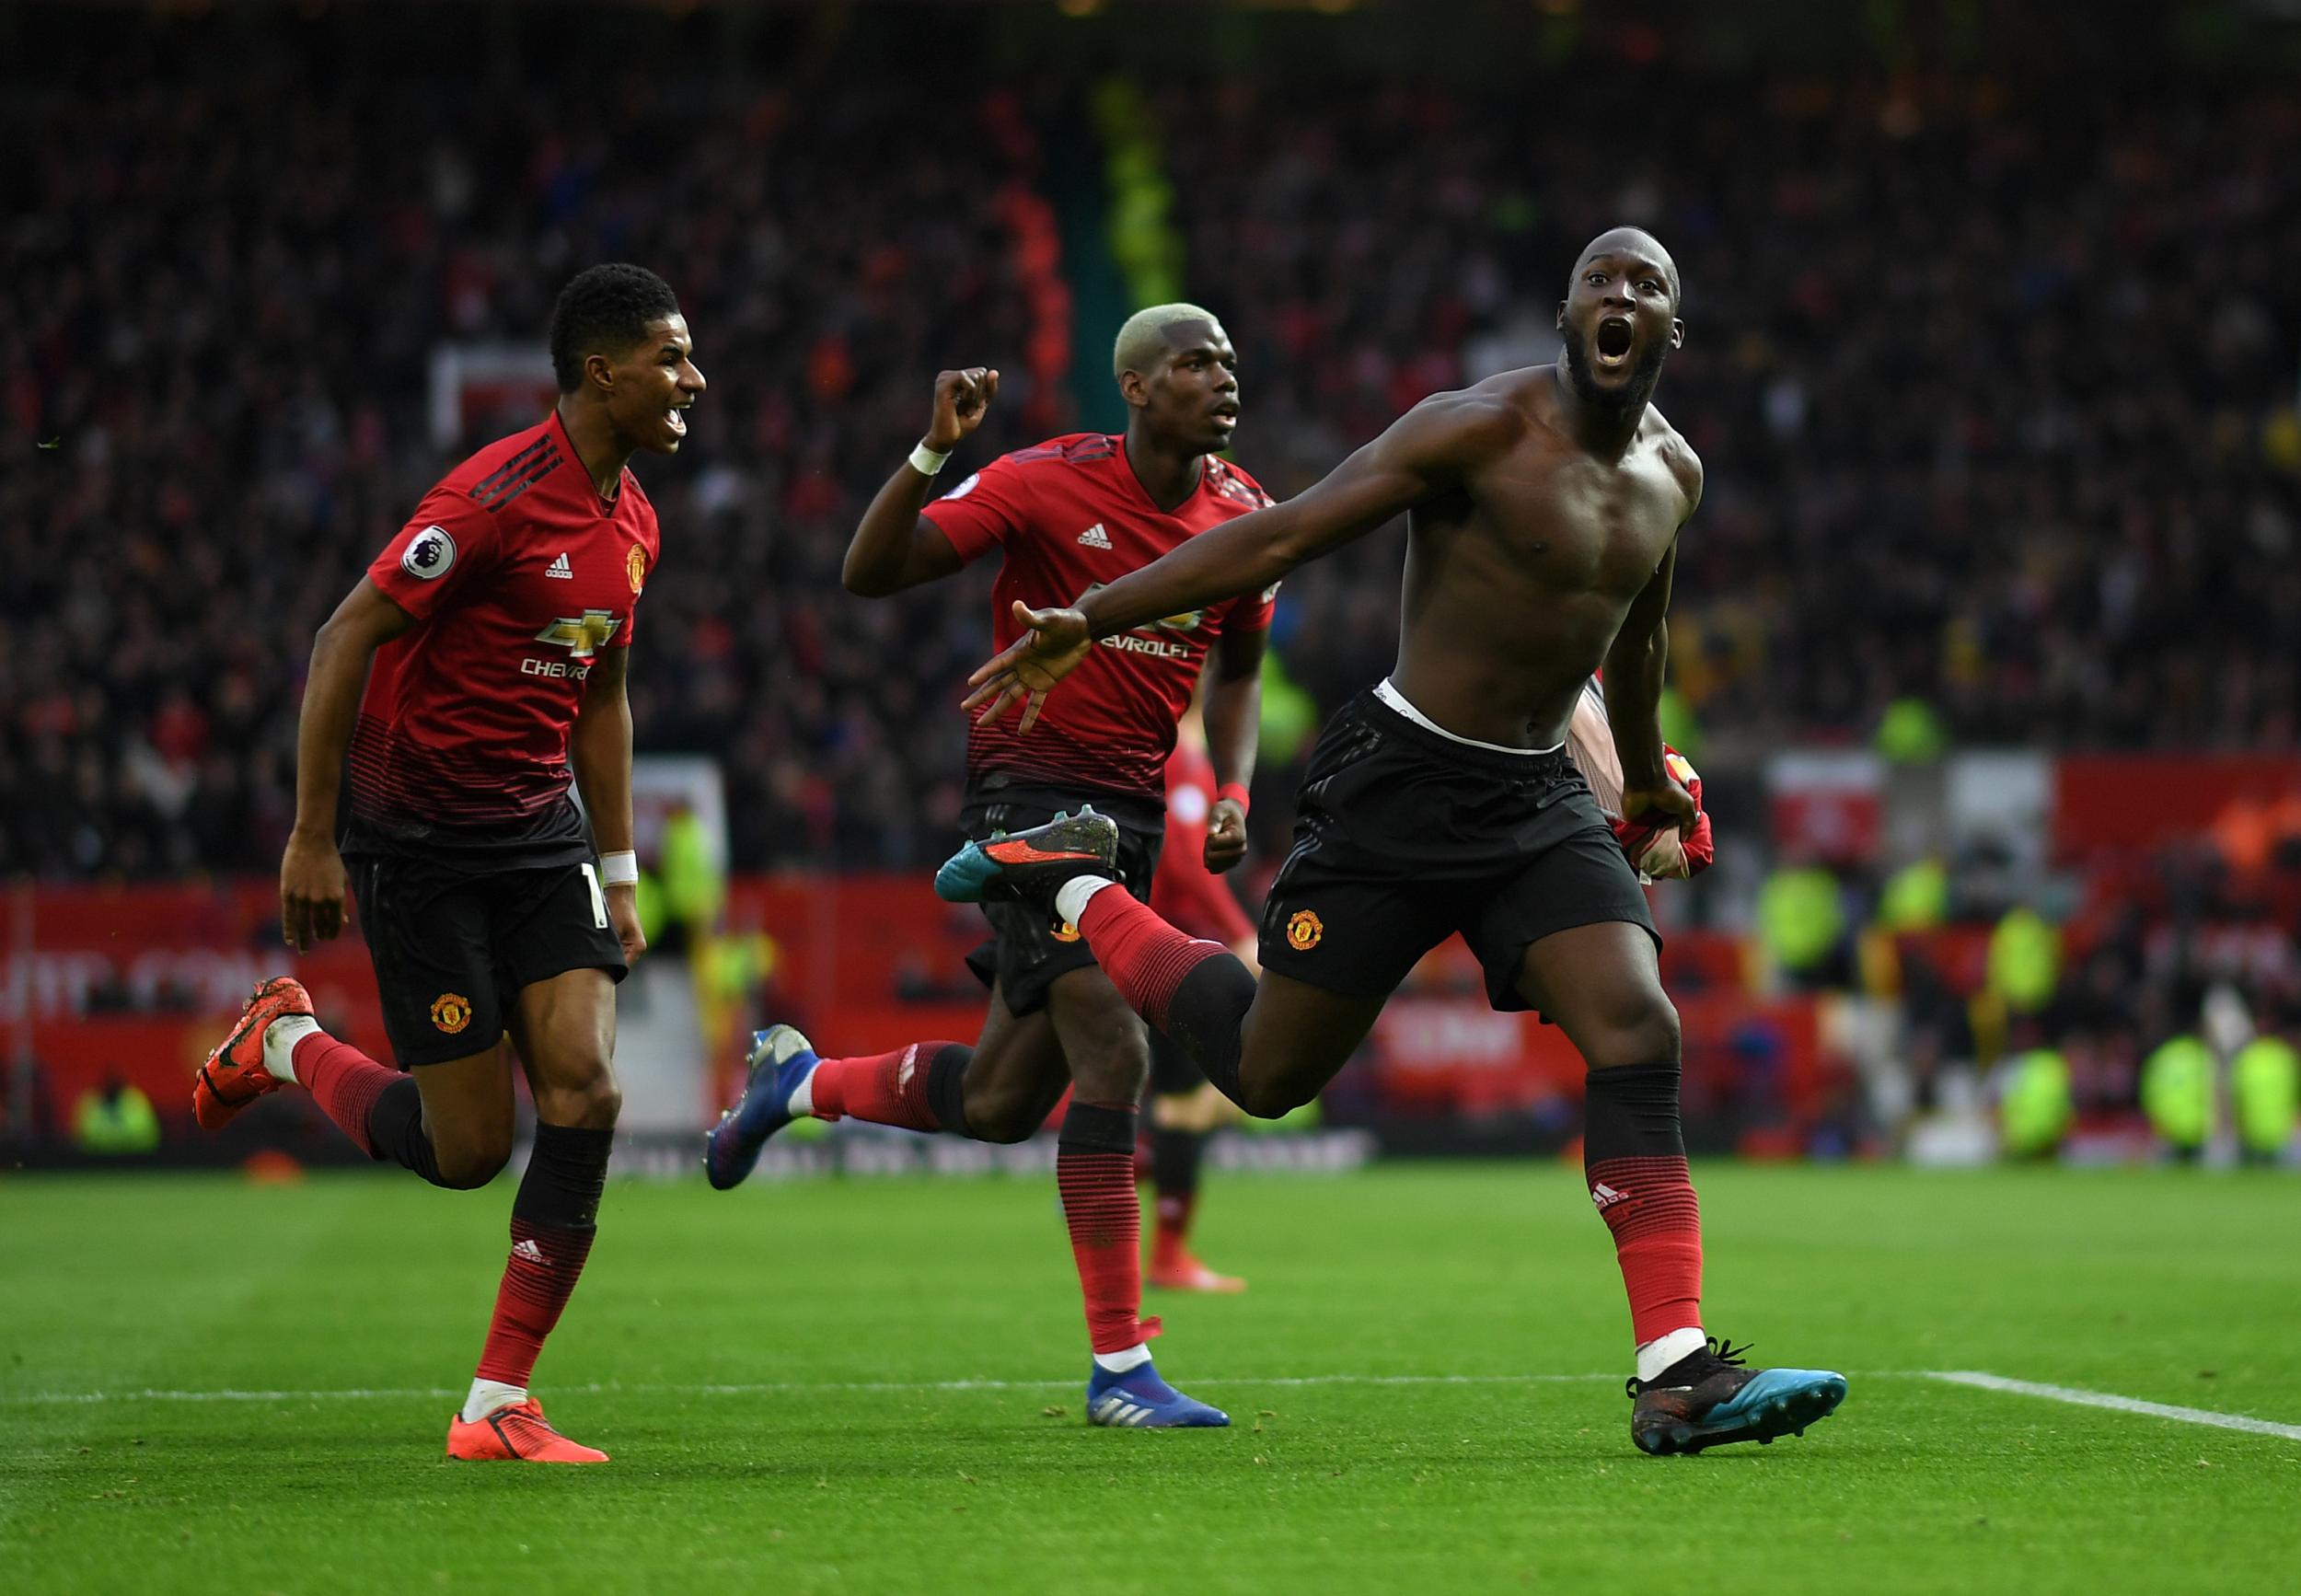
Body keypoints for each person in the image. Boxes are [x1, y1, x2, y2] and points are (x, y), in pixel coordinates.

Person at [953, 229, 1845, 1455]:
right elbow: (1284, 535)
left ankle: (1676, 1367)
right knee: (1265, 1075)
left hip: (1535, 799)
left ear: (1673, 330)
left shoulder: (1673, 474)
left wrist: (1646, 787)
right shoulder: (1471, 427)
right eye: (1602, 278)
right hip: (1401, 780)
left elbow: (1635, 641)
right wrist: (1090, 616)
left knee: (1640, 1026)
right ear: (1567, 311)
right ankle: (1071, 889)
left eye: (1649, 285)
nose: (1623, 295)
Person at [703, 306, 1270, 1428]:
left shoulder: (1243, 510)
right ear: (1138, 387)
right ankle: (1120, 1372)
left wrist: (1240, 789)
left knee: (1008, 1100)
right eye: (1196, 361)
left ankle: (798, 1083)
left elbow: (1241, 669)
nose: (1222, 376)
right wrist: (931, 453)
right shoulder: (1043, 480)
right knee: (1114, 1045)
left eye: (1230, 362)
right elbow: (874, 573)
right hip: (1030, 791)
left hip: (1136, 815)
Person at [191, 263, 700, 1463]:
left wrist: (621, 866)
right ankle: (284, 1041)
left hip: (540, 836)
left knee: (585, 1089)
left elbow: (606, 693)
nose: (694, 380)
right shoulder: (489, 500)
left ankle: (495, 1403)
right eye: (672, 358)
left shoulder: (635, 521)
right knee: (468, 1149)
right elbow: (341, 638)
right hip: (417, 840)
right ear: (601, 370)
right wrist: (314, 833)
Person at [1142, 701, 1258, 1294]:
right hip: (1173, 952)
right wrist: (1239, 931)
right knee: (1189, 1106)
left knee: (1184, 1103)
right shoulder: (1182, 757)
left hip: (1141, 942)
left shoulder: (1154, 752)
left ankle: (1134, 1159)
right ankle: (1169, 1255)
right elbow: (1186, 860)